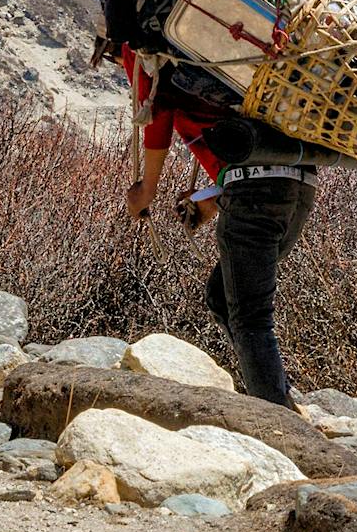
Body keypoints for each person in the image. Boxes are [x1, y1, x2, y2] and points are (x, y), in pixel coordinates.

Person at [120, 45, 321, 407]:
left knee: (250, 317)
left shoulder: (144, 42)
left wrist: (146, 190)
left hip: (255, 187)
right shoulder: (223, 54)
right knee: (222, 296)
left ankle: (280, 421)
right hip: (298, 185)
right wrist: (211, 200)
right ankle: (280, 394)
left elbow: (158, 114)